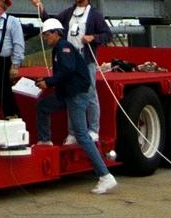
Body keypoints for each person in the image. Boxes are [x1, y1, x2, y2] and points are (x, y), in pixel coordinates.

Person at [37, 18, 117, 194]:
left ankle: (105, 176)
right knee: (43, 106)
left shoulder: (63, 48)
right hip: (68, 94)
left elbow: (67, 71)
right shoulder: (60, 48)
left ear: (56, 33)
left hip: (75, 95)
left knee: (81, 135)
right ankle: (45, 141)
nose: (45, 38)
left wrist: (48, 82)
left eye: (47, 34)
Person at [31, 0, 110, 141]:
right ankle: (73, 132)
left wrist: (93, 38)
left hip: (85, 59)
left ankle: (94, 129)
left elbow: (107, 34)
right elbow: (53, 22)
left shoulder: (95, 15)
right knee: (70, 93)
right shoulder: (69, 13)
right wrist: (41, 9)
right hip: (69, 58)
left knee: (90, 93)